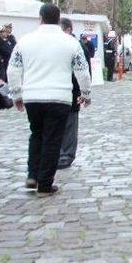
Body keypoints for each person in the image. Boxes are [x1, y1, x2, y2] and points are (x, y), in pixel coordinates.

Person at [7, 4, 91, 195]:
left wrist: (16, 94)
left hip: (33, 97)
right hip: (59, 97)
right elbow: (82, 71)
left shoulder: (25, 41)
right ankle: (45, 183)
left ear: (41, 18)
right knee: (53, 139)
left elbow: (13, 69)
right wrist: (86, 94)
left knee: (36, 134)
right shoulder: (70, 42)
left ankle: (32, 175)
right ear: (58, 18)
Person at [58, 18, 93, 169]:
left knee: (69, 124)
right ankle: (56, 153)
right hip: (55, 90)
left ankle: (66, 155)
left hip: (72, 89)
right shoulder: (54, 45)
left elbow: (85, 70)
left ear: (68, 30)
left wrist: (84, 91)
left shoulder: (77, 46)